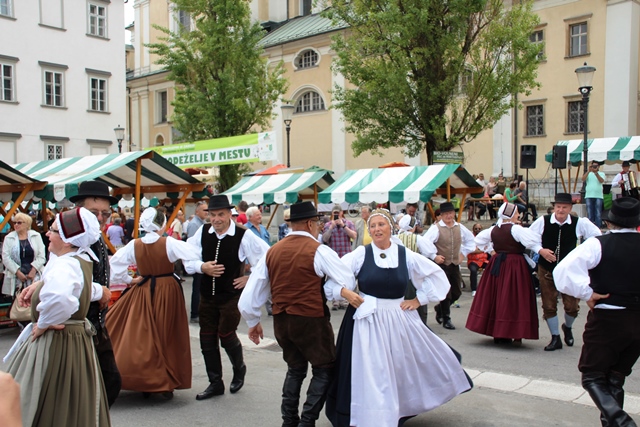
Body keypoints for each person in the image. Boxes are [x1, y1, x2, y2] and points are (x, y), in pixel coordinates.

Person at [324, 209, 472, 426]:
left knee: (400, 367)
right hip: (367, 319)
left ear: (390, 227)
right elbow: (333, 281)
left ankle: (395, 410)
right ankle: (371, 414)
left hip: (397, 317)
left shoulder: (405, 254)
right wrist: (345, 292)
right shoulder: (360, 254)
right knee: (373, 370)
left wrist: (418, 300)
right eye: (372, 226)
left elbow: (437, 276)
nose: (376, 229)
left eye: (380, 225)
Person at [239, 201, 356, 427]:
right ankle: (307, 421)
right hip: (311, 320)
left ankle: (289, 420)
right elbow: (347, 280)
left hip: (282, 321)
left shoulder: (272, 251)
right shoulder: (318, 250)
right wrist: (329, 290)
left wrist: (253, 321)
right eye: (318, 223)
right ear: (311, 223)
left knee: (295, 368)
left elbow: (252, 293)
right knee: (324, 368)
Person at [5, 207, 111, 427]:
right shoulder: (77, 258)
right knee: (72, 399)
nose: (47, 234)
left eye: (52, 230)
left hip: (58, 341)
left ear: (68, 239)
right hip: (73, 340)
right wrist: (39, 286)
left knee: (44, 397)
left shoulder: (65, 264)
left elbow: (61, 298)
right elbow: (77, 288)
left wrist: (43, 323)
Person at [554, 197, 640, 427]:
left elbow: (562, 271)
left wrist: (587, 293)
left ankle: (622, 422)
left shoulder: (598, 244)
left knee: (592, 376)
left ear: (611, 223)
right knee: (615, 376)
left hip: (609, 318)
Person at [105, 207, 201, 398]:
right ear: (162, 224)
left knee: (144, 336)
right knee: (167, 335)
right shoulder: (169, 243)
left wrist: (128, 279)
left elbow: (114, 266)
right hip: (167, 290)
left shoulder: (134, 245)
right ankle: (163, 382)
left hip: (144, 289)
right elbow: (193, 255)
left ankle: (146, 381)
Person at [185, 195, 270, 401]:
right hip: (207, 296)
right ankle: (215, 383)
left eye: (220, 214)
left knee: (226, 334)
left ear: (229, 214)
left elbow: (266, 258)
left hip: (230, 296)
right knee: (206, 338)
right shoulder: (202, 232)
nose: (216, 219)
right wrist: (201, 266)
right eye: (212, 215)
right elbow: (188, 256)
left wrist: (249, 279)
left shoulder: (243, 235)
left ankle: (239, 369)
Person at [68, 180, 122, 406]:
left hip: (96, 324)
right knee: (85, 388)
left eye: (105, 214)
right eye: (94, 213)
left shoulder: (97, 236)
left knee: (108, 381)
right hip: (77, 326)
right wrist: (100, 291)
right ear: (79, 211)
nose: (100, 219)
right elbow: (67, 282)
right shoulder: (71, 238)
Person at [528, 192, 601, 351]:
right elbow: (529, 238)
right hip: (546, 268)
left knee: (572, 306)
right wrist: (541, 250)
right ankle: (555, 338)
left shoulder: (580, 222)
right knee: (549, 304)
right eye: (558, 207)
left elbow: (596, 236)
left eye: (564, 207)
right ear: (553, 207)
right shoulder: (543, 221)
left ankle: (567, 327)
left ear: (570, 208)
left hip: (570, 271)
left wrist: (581, 252)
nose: (560, 210)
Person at [466, 203, 540, 345]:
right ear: (511, 215)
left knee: (498, 297)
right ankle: (514, 332)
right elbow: (533, 241)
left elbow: (478, 241)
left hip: (498, 264)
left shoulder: (494, 229)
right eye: (517, 213)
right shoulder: (516, 229)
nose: (518, 215)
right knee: (514, 298)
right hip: (515, 265)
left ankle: (499, 333)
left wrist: (492, 250)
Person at [423, 202, 475, 330]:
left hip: (454, 264)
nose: (448, 216)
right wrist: (434, 256)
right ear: (441, 215)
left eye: (450, 213)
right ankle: (446, 318)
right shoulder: (436, 228)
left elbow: (471, 241)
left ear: (454, 214)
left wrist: (463, 254)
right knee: (446, 292)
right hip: (442, 265)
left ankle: (439, 308)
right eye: (445, 214)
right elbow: (424, 243)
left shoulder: (460, 227)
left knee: (456, 292)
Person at [2, 212, 46, 299]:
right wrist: (17, 272)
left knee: (35, 301)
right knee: (18, 303)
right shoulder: (9, 237)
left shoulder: (36, 236)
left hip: (35, 276)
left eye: (19, 222)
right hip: (15, 277)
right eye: (15, 222)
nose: (16, 225)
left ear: (27, 224)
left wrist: (33, 270)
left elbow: (42, 256)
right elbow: (5, 257)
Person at [323, 205, 357, 310]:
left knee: (345, 277)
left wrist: (343, 226)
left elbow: (354, 236)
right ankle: (335, 301)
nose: (336, 215)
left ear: (342, 213)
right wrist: (331, 228)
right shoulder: (328, 225)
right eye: (334, 213)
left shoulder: (349, 223)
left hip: (346, 254)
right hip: (333, 256)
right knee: (333, 277)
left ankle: (344, 299)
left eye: (338, 213)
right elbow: (324, 239)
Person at [187, 201, 209, 323]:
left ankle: (198, 312)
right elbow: (192, 245)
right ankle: (195, 313)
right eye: (204, 210)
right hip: (197, 261)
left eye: (207, 210)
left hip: (201, 261)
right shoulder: (195, 224)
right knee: (197, 288)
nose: (206, 212)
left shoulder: (202, 223)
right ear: (197, 211)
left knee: (200, 288)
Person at [467, 223, 490, 297]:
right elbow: (470, 250)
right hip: (473, 260)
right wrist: (481, 250)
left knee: (492, 267)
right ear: (473, 229)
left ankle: (488, 287)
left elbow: (488, 248)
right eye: (476, 229)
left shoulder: (484, 238)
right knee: (473, 270)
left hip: (483, 259)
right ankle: (474, 289)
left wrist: (480, 250)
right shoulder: (470, 239)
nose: (477, 230)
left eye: (479, 229)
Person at [583, 160, 606, 228]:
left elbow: (601, 180)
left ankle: (598, 227)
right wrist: (588, 171)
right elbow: (583, 179)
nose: (594, 167)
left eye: (596, 166)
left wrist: (596, 173)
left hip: (598, 195)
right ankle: (590, 227)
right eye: (593, 166)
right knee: (589, 213)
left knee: (598, 213)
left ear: (598, 167)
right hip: (589, 195)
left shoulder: (601, 173)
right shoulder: (589, 174)